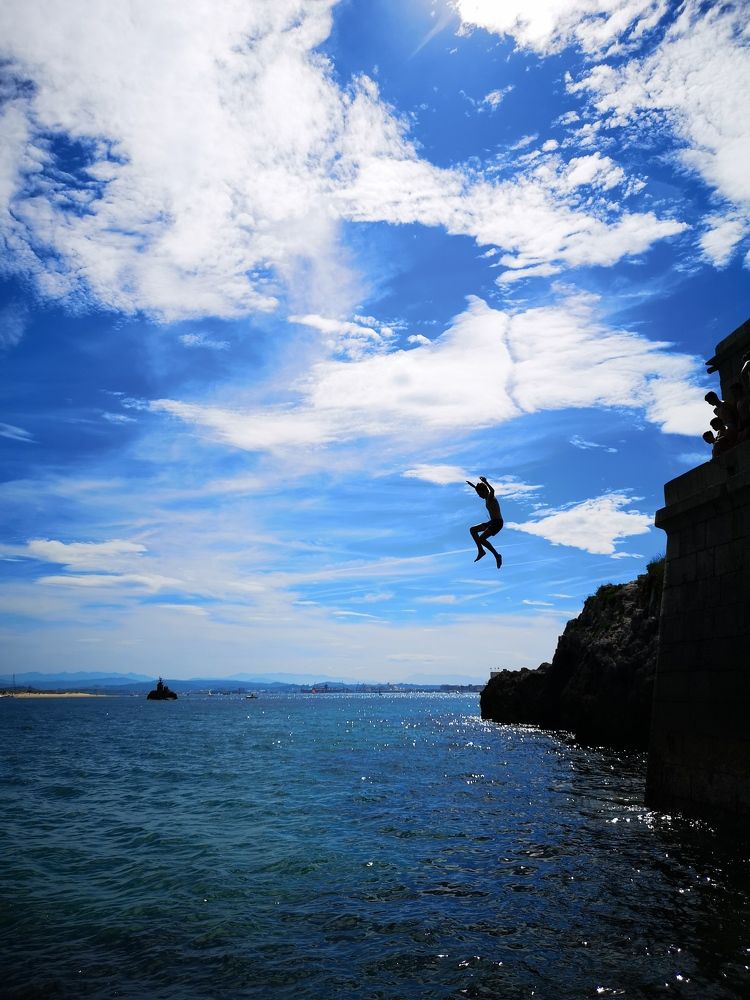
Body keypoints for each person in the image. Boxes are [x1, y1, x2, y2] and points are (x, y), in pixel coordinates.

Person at [466, 475, 503, 568]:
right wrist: (473, 486)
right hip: (492, 522)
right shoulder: (486, 497)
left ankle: (497, 555)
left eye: (480, 494)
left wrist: (486, 482)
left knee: (481, 539)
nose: (479, 496)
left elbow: (492, 491)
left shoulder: (490, 497)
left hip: (497, 523)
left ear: (484, 491)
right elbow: (479, 489)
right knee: (472, 530)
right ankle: (481, 551)